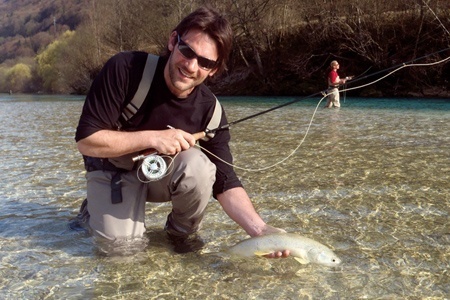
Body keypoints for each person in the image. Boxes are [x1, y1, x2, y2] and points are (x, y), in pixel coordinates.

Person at [72, 6, 289, 257]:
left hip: (155, 175)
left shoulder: (211, 112)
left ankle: (179, 234)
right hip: (112, 170)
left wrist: (260, 230)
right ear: (173, 41)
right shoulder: (126, 69)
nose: (191, 66)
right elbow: (87, 141)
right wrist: (153, 137)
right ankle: (92, 210)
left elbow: (225, 180)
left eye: (205, 62)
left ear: (214, 70)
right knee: (122, 252)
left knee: (200, 167)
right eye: (187, 51)